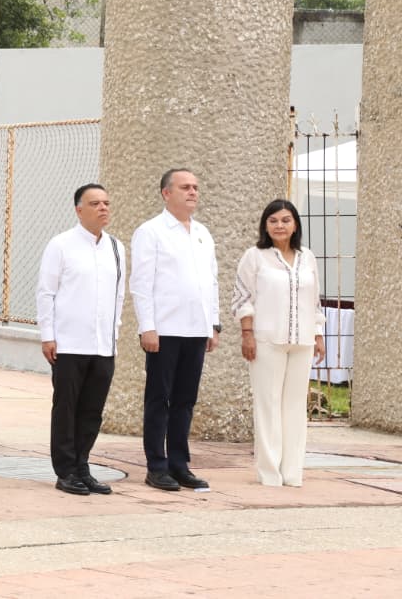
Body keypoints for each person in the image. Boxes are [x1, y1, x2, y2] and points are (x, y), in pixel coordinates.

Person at [130, 168, 219, 493]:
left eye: (195, 187)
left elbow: (211, 281)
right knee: (159, 398)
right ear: (167, 193)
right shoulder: (151, 232)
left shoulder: (202, 233)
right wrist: (147, 327)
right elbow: (141, 283)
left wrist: (213, 324)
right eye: (185, 187)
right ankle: (157, 465)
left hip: (196, 328)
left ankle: (180, 464)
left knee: (185, 400)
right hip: (164, 329)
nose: (192, 192)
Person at [36, 184, 125, 496]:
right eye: (95, 203)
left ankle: (82, 466)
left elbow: (119, 295)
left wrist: (114, 333)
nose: (103, 208)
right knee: (66, 408)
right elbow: (46, 293)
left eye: (106, 203)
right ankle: (65, 470)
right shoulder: (61, 245)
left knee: (92, 410)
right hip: (69, 344)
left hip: (103, 345)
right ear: (79, 210)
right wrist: (48, 336)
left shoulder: (116, 247)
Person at [232, 199, 326, 487]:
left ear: (295, 224)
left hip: (303, 341)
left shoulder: (307, 257)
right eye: (273, 220)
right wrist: (247, 333)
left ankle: (292, 472)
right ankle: (270, 473)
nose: (279, 225)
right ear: (265, 225)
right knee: (268, 404)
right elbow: (242, 298)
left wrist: (318, 334)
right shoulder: (255, 256)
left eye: (285, 220)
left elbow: (314, 300)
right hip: (266, 340)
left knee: (295, 406)